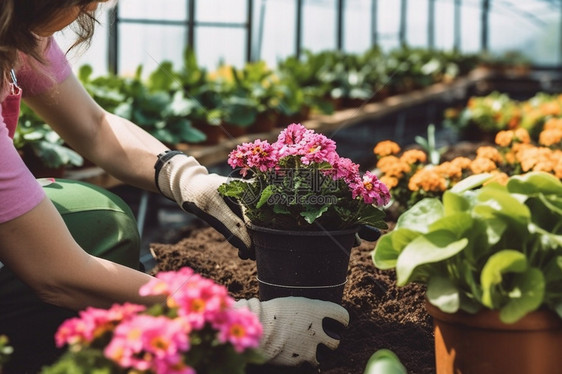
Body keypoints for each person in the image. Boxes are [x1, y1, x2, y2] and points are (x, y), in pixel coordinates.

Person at [0, 1, 350, 373]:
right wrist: (237, 321)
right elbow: (58, 274)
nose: (90, 12)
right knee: (98, 231)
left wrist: (189, 180)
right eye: (83, 2)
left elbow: (93, 125)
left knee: (101, 216)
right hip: (52, 273)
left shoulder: (20, 36)